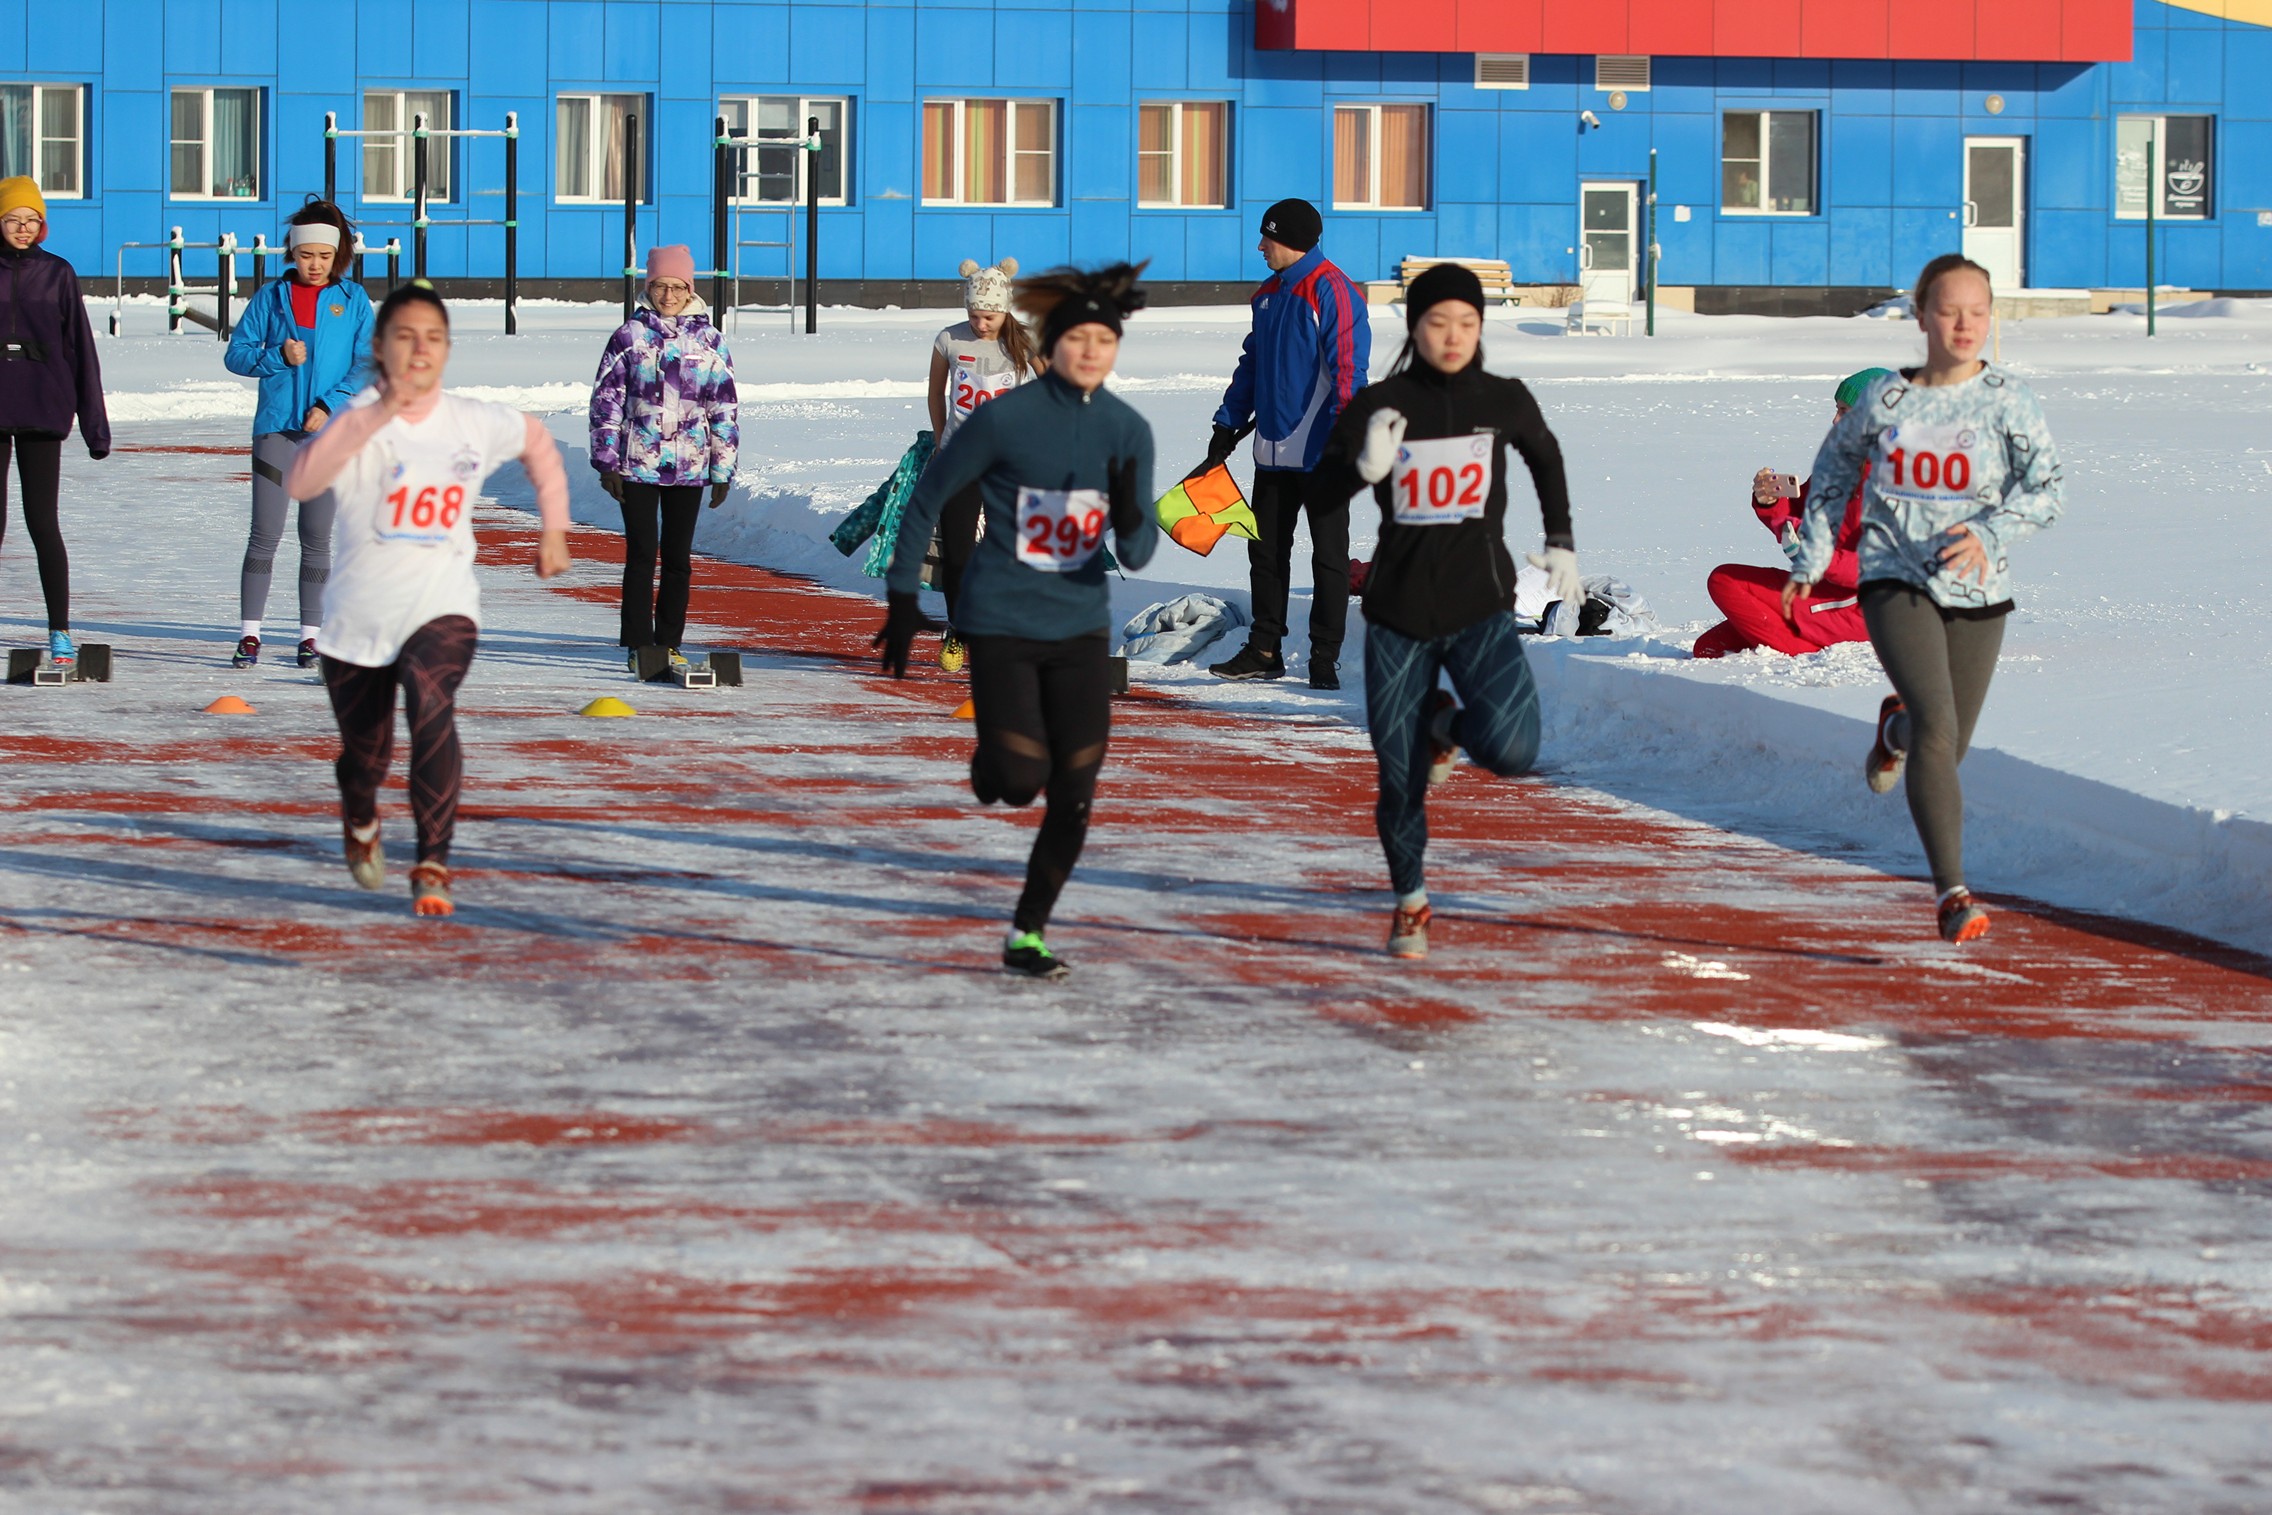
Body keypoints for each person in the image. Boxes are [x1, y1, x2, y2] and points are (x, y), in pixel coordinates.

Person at [874, 263, 1157, 980]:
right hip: (1001, 618)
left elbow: (1139, 547)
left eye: (1105, 340)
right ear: (1053, 344)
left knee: (1077, 787)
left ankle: (1027, 931)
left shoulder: (1127, 429)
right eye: (1078, 338)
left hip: (1080, 628)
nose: (1091, 352)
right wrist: (906, 598)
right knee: (1018, 777)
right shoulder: (1004, 418)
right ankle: (994, 760)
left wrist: (1131, 511)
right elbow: (929, 499)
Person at [1783, 254, 2064, 944]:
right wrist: (1812, 558)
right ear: (1921, 316)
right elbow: (1827, 480)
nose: (1964, 323)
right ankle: (1952, 894)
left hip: (1978, 589)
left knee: (1946, 743)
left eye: (1977, 310)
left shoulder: (2009, 401)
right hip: (1894, 580)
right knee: (1939, 729)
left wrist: (1991, 533)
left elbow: (2048, 490)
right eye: (1949, 309)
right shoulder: (1885, 403)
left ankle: (1894, 731)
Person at [1312, 263, 1579, 959]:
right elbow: (1317, 494)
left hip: (1480, 606)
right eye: (1437, 323)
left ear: (1481, 327)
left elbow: (1544, 456)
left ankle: (1445, 722)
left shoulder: (1502, 398)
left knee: (1514, 750)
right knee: (1399, 778)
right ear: (1415, 326)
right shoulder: (1381, 403)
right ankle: (1410, 901)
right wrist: (1360, 469)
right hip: (1398, 612)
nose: (1453, 336)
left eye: (1467, 322)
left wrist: (1560, 540)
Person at [284, 284, 572, 917]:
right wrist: (374, 415)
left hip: (443, 605)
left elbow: (537, 442)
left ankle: (433, 861)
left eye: (434, 338)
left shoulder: (469, 420)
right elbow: (301, 480)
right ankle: (360, 815)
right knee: (368, 755)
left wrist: (554, 527)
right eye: (405, 337)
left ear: (447, 350)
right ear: (381, 348)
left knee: (431, 697)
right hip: (358, 621)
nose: (420, 350)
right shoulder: (357, 418)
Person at [1199, 198, 1369, 689]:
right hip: (1271, 451)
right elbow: (1251, 364)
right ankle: (1264, 649)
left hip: (1321, 453)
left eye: (1266, 238)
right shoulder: (1267, 294)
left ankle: (1323, 657)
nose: (1259, 246)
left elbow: (1347, 372)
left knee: (1328, 556)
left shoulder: (1333, 291)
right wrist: (1227, 422)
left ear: (1291, 240)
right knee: (1266, 553)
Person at [222, 199, 374, 668]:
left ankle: (311, 636)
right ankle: (250, 635)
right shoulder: (270, 298)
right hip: (275, 431)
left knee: (316, 537)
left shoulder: (353, 301)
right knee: (264, 535)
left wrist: (330, 406)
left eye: (324, 257)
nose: (315, 265)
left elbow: (368, 364)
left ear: (338, 257)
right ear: (293, 252)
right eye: (307, 255)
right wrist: (277, 358)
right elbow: (237, 354)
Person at [588, 244, 738, 665]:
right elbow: (607, 402)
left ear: (689, 289)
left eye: (676, 287)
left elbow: (723, 407)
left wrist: (722, 467)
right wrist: (606, 462)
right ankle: (639, 644)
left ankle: (669, 640)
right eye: (659, 287)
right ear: (647, 287)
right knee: (640, 554)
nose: (668, 296)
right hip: (637, 462)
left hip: (689, 466)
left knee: (677, 558)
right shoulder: (628, 337)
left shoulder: (710, 341)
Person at [1692, 368, 1890, 660]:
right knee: (1708, 648)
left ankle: (1802, 651)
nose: (1835, 420)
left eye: (1845, 412)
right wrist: (1771, 502)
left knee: (1724, 581)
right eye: (1837, 410)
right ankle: (1796, 638)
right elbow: (1795, 520)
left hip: (1863, 608)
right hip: (1822, 589)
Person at [0, 176, 108, 667]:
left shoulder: (58, 274)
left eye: (30, 221)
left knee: (43, 523)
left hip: (43, 412)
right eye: (12, 220)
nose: (22, 229)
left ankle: (59, 630)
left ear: (42, 226)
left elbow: (81, 352)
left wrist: (95, 426)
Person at [925, 256, 1042, 674]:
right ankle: (957, 628)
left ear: (1005, 310)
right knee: (957, 554)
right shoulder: (949, 340)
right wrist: (941, 438)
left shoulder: (1023, 341)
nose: (981, 324)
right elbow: (936, 391)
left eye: (989, 316)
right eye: (974, 316)